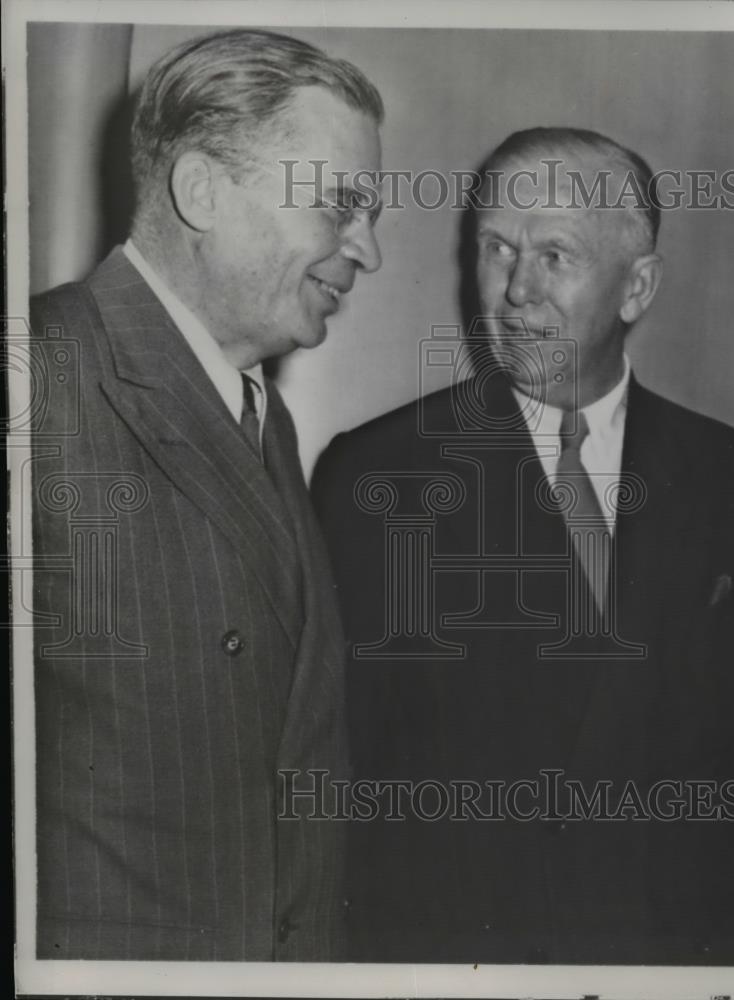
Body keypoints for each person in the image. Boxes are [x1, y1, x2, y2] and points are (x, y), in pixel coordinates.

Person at [313, 127, 734, 966]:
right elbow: (337, 787)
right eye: (497, 248)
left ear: (637, 286)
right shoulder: (373, 475)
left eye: (555, 255)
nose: (516, 289)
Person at [30, 29, 383, 960]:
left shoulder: (264, 417)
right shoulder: (38, 377)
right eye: (342, 205)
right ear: (202, 191)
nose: (369, 249)